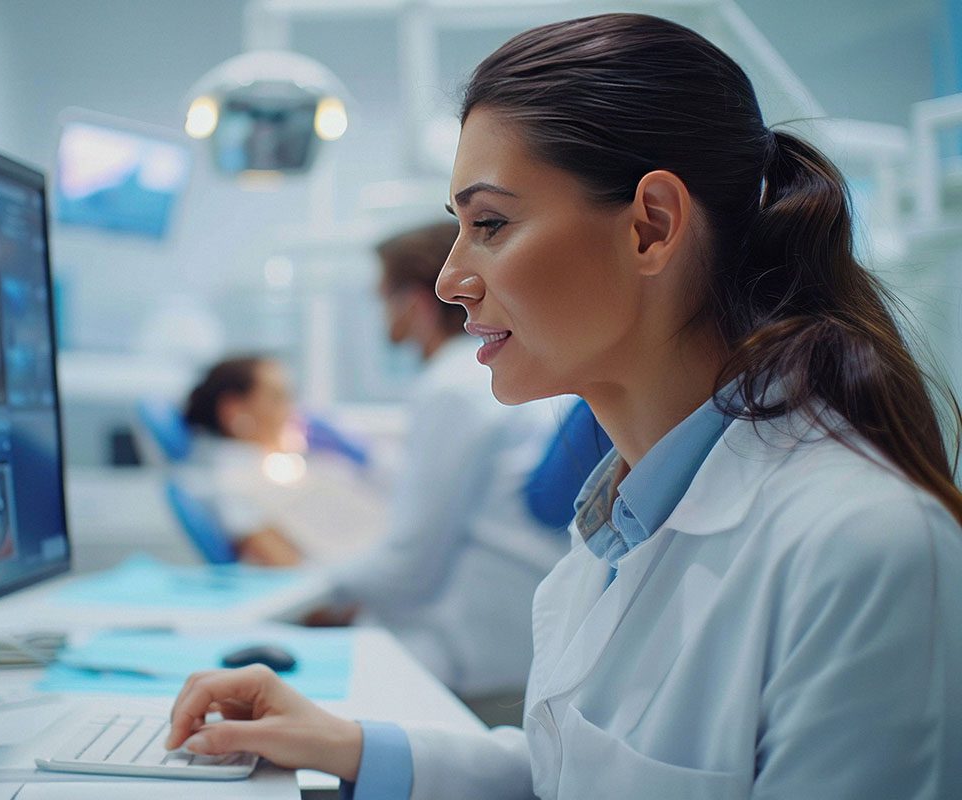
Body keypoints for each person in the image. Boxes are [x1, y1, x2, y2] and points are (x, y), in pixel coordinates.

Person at [165, 13, 962, 799]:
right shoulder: (617, 527)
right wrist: (346, 746)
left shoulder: (866, 549)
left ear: (651, 226)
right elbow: (566, 780)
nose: (448, 280)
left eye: (490, 224)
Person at [316, 220, 580, 708]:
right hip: (516, 638)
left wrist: (309, 584)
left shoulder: (452, 387)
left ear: (413, 303)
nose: (381, 317)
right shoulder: (482, 376)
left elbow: (406, 569)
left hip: (475, 661)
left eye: (382, 300)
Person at [182, 355, 385, 567]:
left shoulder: (283, 465)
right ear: (234, 410)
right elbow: (291, 567)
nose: (292, 411)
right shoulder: (234, 482)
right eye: (277, 398)